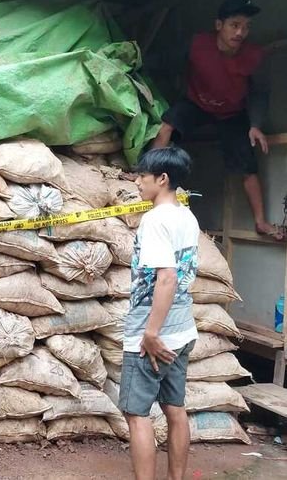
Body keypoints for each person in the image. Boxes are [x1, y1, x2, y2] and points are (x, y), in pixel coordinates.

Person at [151, 0, 281, 240]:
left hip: (232, 112)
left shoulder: (254, 56)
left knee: (248, 165)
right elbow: (164, 61)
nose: (241, 32)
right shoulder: (197, 44)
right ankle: (149, 174)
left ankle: (261, 222)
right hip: (196, 103)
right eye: (234, 25)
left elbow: (260, 93)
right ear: (219, 25)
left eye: (246, 27)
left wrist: (255, 125)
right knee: (166, 126)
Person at [120, 147, 200, 480]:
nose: (137, 181)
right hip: (183, 330)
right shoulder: (187, 216)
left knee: (136, 415)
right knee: (175, 410)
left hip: (153, 334)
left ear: (162, 179)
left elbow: (166, 277)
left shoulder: (155, 220)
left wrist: (150, 333)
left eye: (142, 175)